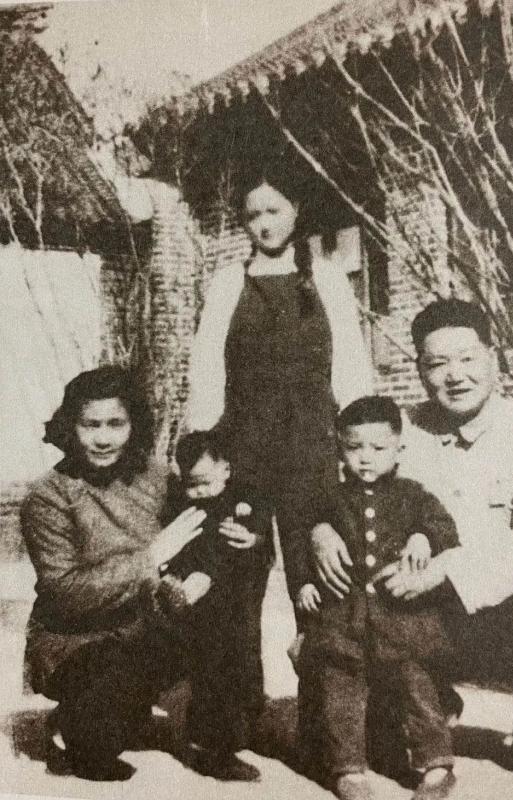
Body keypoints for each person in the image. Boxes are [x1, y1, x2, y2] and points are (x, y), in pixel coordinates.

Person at [311, 298, 513, 783]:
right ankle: (430, 704)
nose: (454, 375)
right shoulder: (400, 429)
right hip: (410, 615)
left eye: (467, 358)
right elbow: (340, 488)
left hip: (496, 617)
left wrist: (447, 569)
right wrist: (321, 529)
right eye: (437, 363)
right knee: (322, 648)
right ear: (419, 369)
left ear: (492, 359)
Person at [184, 160, 374, 765]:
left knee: (315, 583)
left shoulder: (327, 279)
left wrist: (357, 445)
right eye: (252, 215)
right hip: (242, 452)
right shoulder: (227, 283)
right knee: (235, 581)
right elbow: (206, 369)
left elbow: (351, 369)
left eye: (274, 210)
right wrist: (202, 453)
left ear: (296, 211)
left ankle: (327, 732)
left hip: (311, 453)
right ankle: (226, 726)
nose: (264, 224)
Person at [20, 366, 253, 782]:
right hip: (79, 642)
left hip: (150, 624)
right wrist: (150, 559)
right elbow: (64, 593)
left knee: (220, 627)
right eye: (90, 425)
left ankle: (209, 741)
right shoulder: (48, 496)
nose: (103, 438)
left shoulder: (157, 476)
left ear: (134, 425)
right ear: (70, 426)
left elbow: (207, 519)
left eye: (116, 424)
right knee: (103, 726)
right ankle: (74, 727)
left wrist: (244, 534)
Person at [295, 396, 460, 800]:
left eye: (378, 447)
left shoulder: (412, 495)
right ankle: (347, 768)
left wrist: (423, 537)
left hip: (403, 618)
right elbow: (302, 545)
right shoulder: (328, 499)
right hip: (343, 616)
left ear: (399, 448)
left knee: (418, 686)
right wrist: (305, 583)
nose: (365, 457)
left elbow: (443, 526)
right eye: (354, 447)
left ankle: (436, 765)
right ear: (340, 448)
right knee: (341, 689)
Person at [156, 429, 273, 770]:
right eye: (191, 484)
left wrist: (253, 538)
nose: (200, 492)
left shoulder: (243, 497)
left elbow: (262, 536)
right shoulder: (183, 503)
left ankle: (245, 726)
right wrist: (176, 573)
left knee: (245, 660)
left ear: (226, 469)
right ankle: (208, 741)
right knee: (209, 667)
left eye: (206, 482)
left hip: (238, 599)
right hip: (202, 603)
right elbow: (174, 544)